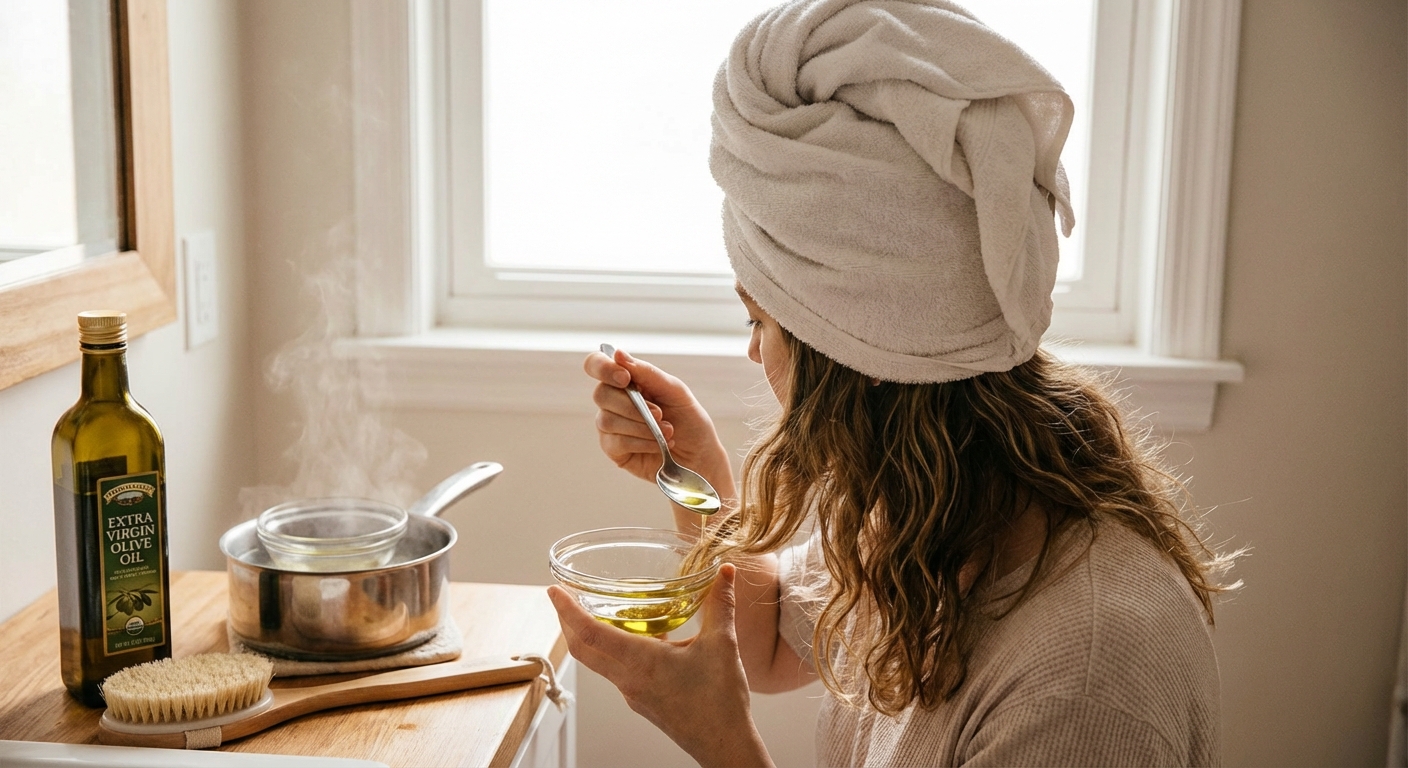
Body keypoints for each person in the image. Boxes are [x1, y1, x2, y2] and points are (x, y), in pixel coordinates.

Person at [546, 0, 1238, 765]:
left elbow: (760, 671)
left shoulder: (1082, 687)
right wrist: (697, 472)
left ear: (854, 362)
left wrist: (721, 741)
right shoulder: (942, 508)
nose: (754, 355)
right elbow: (775, 643)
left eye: (760, 323)